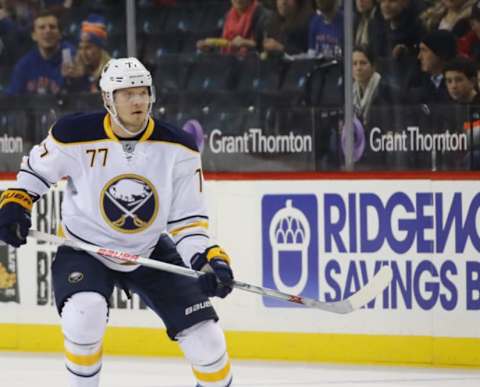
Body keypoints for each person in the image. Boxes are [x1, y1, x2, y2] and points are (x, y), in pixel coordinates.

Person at [0, 57, 234, 387]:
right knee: (84, 315)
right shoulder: (73, 134)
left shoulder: (179, 147)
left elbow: (188, 223)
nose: (137, 101)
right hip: (86, 248)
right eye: (127, 94)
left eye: (143, 92)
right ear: (108, 99)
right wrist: (17, 204)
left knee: (209, 344)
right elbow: (34, 173)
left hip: (150, 250)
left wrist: (208, 260)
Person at [5, 10, 75, 95]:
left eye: (52, 27)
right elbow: (11, 99)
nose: (47, 31)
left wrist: (72, 79)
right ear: (34, 36)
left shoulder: (72, 58)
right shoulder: (24, 66)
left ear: (60, 34)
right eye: (42, 27)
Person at [196, 0, 271, 56]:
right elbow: (227, 45)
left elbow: (272, 47)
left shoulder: (264, 15)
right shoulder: (227, 16)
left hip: (255, 67)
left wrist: (246, 43)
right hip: (231, 66)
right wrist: (210, 49)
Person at [352, 45, 402, 126]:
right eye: (354, 63)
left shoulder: (387, 92)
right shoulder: (350, 93)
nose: (358, 68)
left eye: (363, 63)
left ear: (373, 67)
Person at [406, 29, 458, 105]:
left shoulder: (457, 82)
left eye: (424, 50)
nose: (419, 57)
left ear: (441, 53)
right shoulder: (417, 80)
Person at [62, 14, 111, 93]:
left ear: (100, 48)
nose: (83, 53)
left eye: (88, 48)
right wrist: (70, 80)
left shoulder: (113, 72)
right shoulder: (77, 73)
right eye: (81, 48)